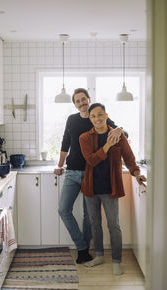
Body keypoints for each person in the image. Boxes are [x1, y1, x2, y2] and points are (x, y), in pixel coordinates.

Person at [54, 88, 127, 264]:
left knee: (90, 217)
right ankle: (82, 246)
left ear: (89, 99)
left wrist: (120, 129)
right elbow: (65, 142)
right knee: (63, 210)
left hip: (91, 173)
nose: (81, 103)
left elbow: (120, 132)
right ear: (75, 104)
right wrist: (59, 165)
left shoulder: (98, 117)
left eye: (83, 99)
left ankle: (85, 250)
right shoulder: (71, 120)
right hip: (72, 171)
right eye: (77, 101)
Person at [79, 102, 146, 274]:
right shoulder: (84, 138)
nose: (97, 119)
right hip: (91, 188)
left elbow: (129, 158)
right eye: (93, 116)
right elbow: (92, 160)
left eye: (100, 115)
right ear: (90, 119)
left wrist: (137, 173)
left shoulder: (119, 135)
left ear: (106, 116)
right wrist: (108, 144)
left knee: (113, 225)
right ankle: (99, 256)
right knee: (95, 224)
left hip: (111, 188)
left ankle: (117, 261)